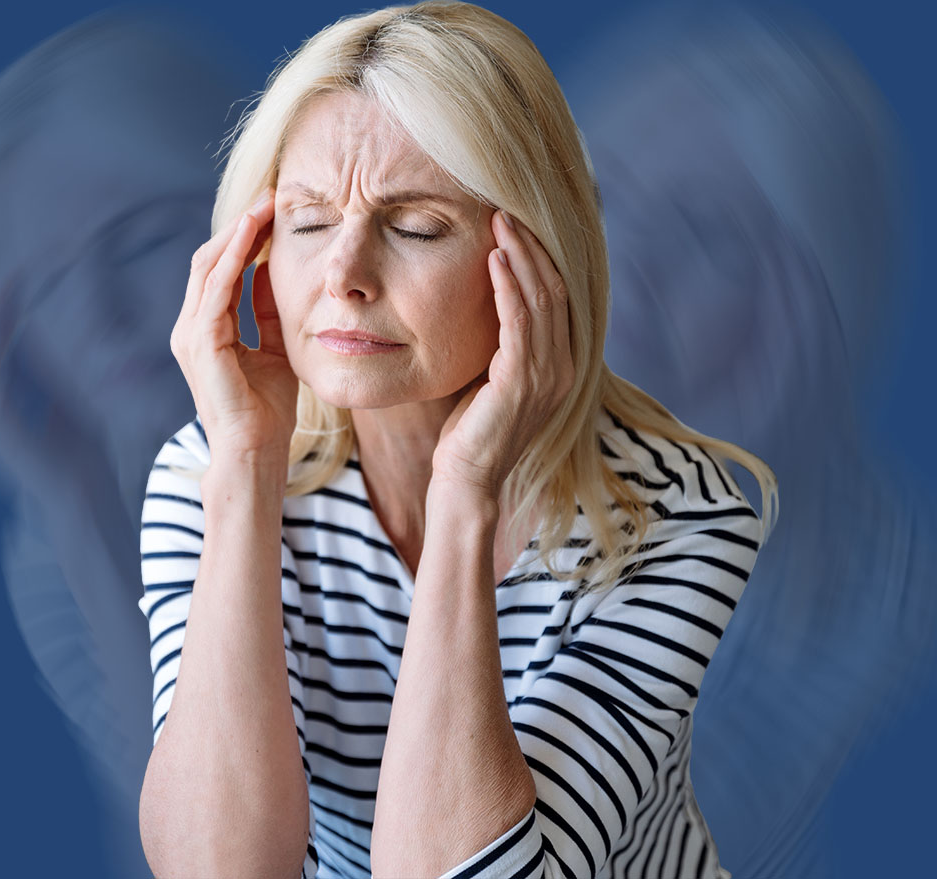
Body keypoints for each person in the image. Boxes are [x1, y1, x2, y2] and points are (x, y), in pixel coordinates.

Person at [136, 3, 777, 878]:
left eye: (415, 227)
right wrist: (245, 468)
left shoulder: (678, 518)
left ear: (537, 257)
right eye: (310, 220)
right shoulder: (210, 469)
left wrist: (466, 498)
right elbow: (216, 870)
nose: (345, 277)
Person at [560, 4, 937, 876]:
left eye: (704, 234)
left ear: (817, 311)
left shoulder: (904, 611)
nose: (623, 258)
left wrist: (723, 516)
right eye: (598, 197)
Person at [0, 9, 249, 877]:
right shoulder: (59, 544)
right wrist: (80, 520)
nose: (95, 319)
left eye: (140, 240)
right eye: (43, 290)